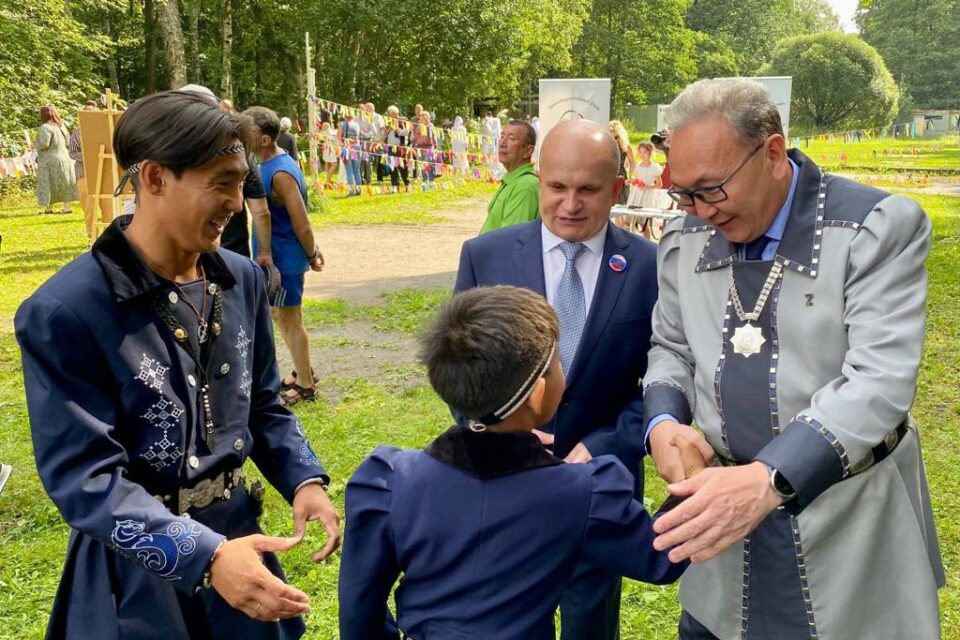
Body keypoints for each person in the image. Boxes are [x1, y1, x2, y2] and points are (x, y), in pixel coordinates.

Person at [15, 90, 341, 640]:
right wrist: (207, 557)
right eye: (220, 182)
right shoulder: (65, 312)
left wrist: (304, 479)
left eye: (241, 182)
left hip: (241, 540)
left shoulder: (241, 280)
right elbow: (86, 478)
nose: (236, 203)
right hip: (136, 581)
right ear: (155, 178)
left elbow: (262, 404)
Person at [642, 78, 944, 640]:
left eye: (711, 189)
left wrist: (769, 479)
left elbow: (878, 381)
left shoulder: (874, 229)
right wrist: (662, 424)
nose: (699, 211)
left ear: (773, 153)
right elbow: (671, 347)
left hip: (850, 530)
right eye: (683, 194)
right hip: (724, 550)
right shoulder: (684, 238)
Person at [338, 286, 686, 640]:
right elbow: (659, 558)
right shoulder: (582, 492)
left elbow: (358, 609)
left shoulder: (390, 481)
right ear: (538, 393)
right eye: (557, 362)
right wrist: (695, 478)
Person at [454, 120, 659, 640]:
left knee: (591, 619)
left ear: (616, 189)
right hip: (504, 483)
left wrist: (603, 444)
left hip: (599, 486)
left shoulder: (649, 268)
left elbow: (665, 380)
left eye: (588, 190)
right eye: (557, 187)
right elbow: (461, 368)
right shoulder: (487, 256)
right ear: (538, 179)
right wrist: (501, 435)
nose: (570, 204)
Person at [245, 106, 325, 406]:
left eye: (247, 132)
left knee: (291, 320)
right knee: (281, 315)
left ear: (264, 139)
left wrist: (312, 252)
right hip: (276, 258)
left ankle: (306, 384)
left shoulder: (280, 172)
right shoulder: (265, 165)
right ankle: (302, 368)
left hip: (285, 259)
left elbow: (301, 222)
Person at [180, 84, 274, 265]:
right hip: (228, 257)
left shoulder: (238, 150)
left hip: (204, 261)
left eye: (237, 184)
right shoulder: (240, 152)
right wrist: (265, 252)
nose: (237, 204)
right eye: (224, 183)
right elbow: (261, 211)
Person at [479, 120, 538, 234]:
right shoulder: (513, 179)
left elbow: (511, 241)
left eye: (511, 139)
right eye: (502, 136)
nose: (502, 143)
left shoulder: (525, 186)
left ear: (528, 151)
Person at [35, 105, 78, 215]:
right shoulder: (61, 126)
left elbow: (44, 144)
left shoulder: (45, 127)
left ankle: (49, 208)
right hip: (65, 158)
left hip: (50, 160)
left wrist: (35, 144)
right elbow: (68, 141)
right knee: (65, 183)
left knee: (49, 183)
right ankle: (67, 207)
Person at [68, 101, 99, 241]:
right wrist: (88, 156)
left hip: (103, 173)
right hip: (84, 174)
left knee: (109, 207)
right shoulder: (77, 131)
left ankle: (111, 239)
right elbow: (72, 153)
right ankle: (92, 238)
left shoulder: (103, 129)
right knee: (89, 209)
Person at [384, 106, 410, 193]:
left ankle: (407, 184)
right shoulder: (388, 122)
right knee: (393, 167)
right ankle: (395, 186)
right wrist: (386, 130)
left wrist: (396, 129)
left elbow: (406, 133)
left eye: (394, 114)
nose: (393, 116)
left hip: (400, 148)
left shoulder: (402, 121)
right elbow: (384, 135)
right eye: (391, 114)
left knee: (402, 167)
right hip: (391, 147)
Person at [608, 120, 635, 207]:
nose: (614, 140)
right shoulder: (607, 145)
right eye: (612, 137)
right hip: (609, 174)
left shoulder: (625, 146)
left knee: (623, 203)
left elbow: (632, 162)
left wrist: (631, 177)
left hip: (621, 175)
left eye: (616, 137)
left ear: (621, 135)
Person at [338, 111, 363, 196]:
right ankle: (359, 190)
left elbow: (339, 137)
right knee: (357, 170)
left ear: (345, 116)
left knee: (349, 170)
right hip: (357, 147)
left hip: (346, 148)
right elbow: (359, 136)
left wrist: (342, 147)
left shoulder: (341, 124)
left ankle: (351, 191)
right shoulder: (356, 124)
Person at [411, 111, 437, 188]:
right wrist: (412, 142)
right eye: (420, 117)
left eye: (422, 117)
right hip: (419, 147)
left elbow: (433, 136)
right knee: (422, 165)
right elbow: (415, 136)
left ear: (426, 118)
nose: (420, 119)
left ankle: (431, 181)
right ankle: (425, 181)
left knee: (428, 164)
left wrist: (436, 147)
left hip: (429, 147)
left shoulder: (430, 126)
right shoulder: (419, 126)